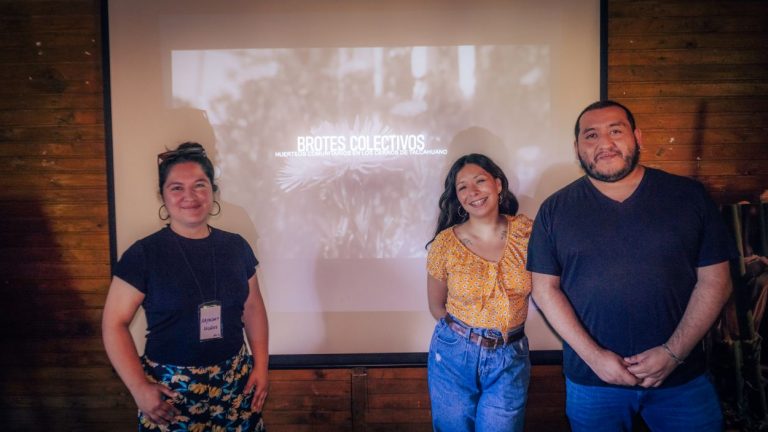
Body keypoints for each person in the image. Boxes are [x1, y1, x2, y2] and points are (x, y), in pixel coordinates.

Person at [527, 100, 737, 431]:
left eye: (616, 131)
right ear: (577, 148)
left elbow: (716, 281)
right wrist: (595, 358)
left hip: (682, 379)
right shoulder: (554, 210)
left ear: (637, 137)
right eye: (591, 135)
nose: (604, 143)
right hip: (593, 381)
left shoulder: (689, 197)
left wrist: (673, 353)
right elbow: (544, 290)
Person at [102, 142, 269, 431]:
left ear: (213, 191)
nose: (189, 196)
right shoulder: (144, 254)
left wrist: (261, 366)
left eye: (199, 185)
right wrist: (139, 388)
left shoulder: (236, 247)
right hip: (171, 390)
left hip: (235, 382)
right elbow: (113, 324)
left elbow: (253, 307)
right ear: (162, 196)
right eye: (177, 187)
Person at [426, 153, 532, 431]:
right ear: (458, 197)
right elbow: (436, 306)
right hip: (453, 354)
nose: (472, 191)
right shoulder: (445, 243)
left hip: (510, 356)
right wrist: (464, 338)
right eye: (462, 187)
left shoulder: (526, 232)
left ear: (498, 184)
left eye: (480, 181)